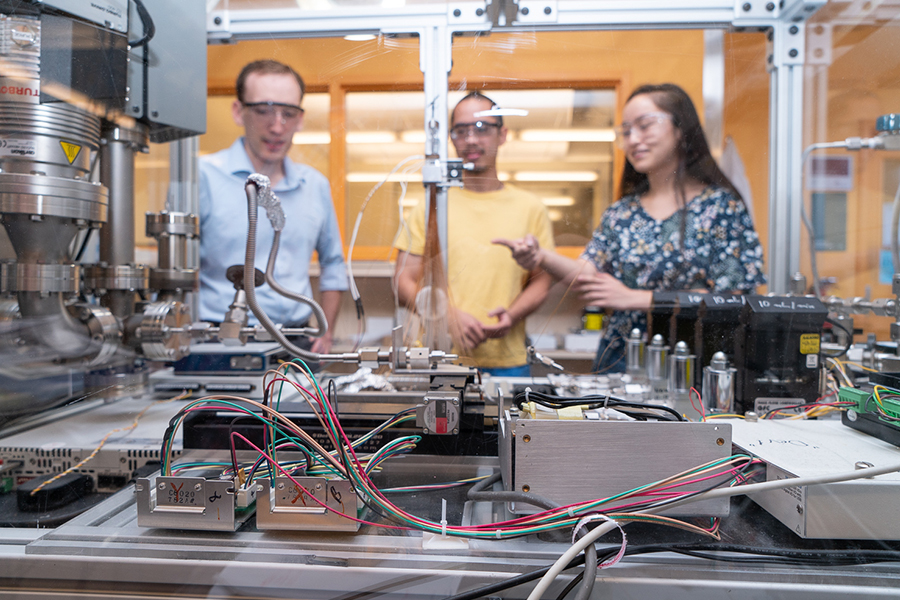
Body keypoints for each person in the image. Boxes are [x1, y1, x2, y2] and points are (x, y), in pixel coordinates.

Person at [495, 83, 766, 372]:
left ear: (680, 128)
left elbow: (733, 298)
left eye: (645, 126)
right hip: (621, 361)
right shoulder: (622, 213)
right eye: (625, 131)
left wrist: (639, 299)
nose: (633, 139)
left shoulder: (721, 208)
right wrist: (541, 258)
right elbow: (588, 272)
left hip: (694, 363)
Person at [393, 92, 555, 376]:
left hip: (507, 362)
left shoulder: (531, 208)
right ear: (451, 138)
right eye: (461, 130)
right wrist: (445, 315)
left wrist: (512, 316)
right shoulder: (431, 206)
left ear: (502, 134)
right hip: (438, 360)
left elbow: (542, 281)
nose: (470, 139)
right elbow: (403, 280)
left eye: (481, 128)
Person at [199, 60, 347, 354]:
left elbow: (334, 264)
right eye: (263, 111)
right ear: (238, 112)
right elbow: (182, 271)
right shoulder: (203, 176)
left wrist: (325, 333)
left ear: (301, 119)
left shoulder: (314, 185)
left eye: (288, 114)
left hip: (296, 340)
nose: (277, 126)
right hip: (220, 341)